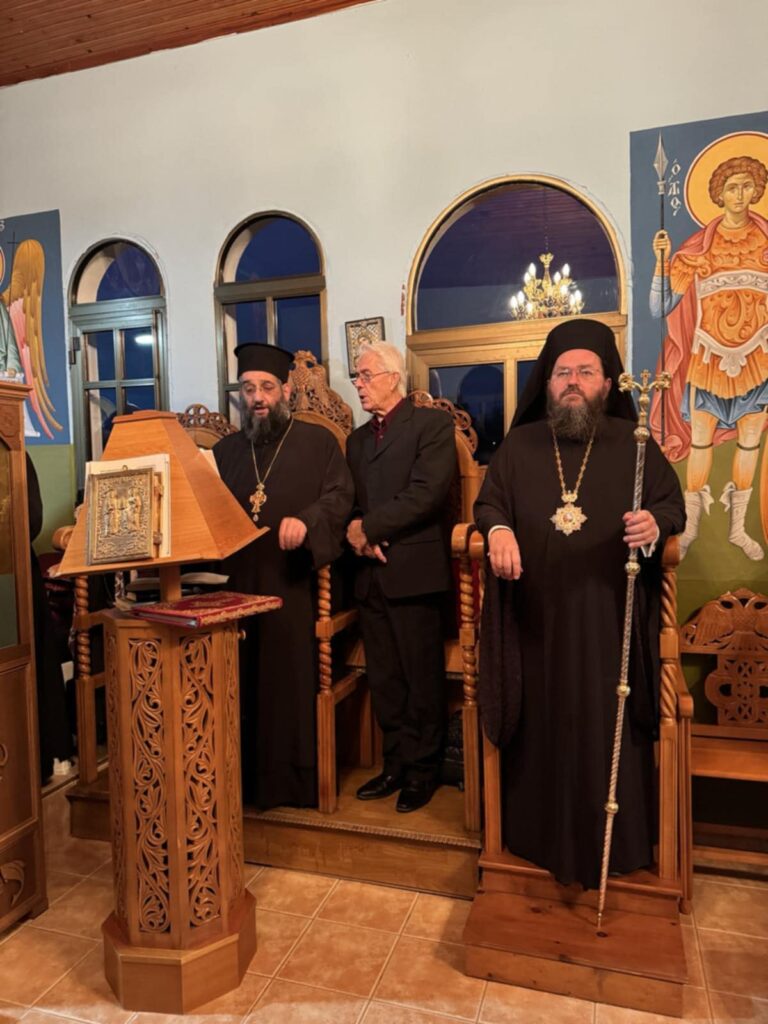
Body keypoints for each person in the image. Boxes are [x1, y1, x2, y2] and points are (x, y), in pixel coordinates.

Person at [474, 319, 685, 890]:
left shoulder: (634, 444)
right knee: (540, 729)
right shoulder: (520, 445)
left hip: (608, 623)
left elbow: (673, 506)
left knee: (604, 728)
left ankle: (616, 845)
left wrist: (655, 523)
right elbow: (488, 505)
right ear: (547, 382)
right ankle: (537, 838)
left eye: (585, 372)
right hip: (535, 623)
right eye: (562, 372)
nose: (572, 381)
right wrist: (497, 531)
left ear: (608, 383)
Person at [214, 343, 354, 810]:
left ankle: (292, 785)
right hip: (234, 590)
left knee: (285, 685)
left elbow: (340, 498)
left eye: (267, 387)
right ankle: (238, 784)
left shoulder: (318, 443)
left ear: (287, 390)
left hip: (292, 586)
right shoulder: (225, 452)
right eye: (248, 388)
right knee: (237, 685)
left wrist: (308, 521)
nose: (258, 397)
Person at [346, 342, 456, 813]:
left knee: (421, 680)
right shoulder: (355, 441)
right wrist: (356, 532)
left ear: (393, 377)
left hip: (415, 574)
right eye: (356, 376)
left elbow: (426, 494)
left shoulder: (432, 426)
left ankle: (423, 771)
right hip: (370, 574)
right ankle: (394, 765)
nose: (358, 384)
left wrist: (369, 528)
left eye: (366, 375)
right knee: (386, 680)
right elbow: (351, 502)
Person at [649, 154, 768, 560]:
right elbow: (660, 307)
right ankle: (691, 529)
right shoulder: (698, 248)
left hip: (758, 358)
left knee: (750, 443)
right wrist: (661, 264)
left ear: (757, 190)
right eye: (731, 187)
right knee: (701, 443)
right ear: (718, 194)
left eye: (747, 186)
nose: (740, 194)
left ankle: (737, 529)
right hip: (709, 357)